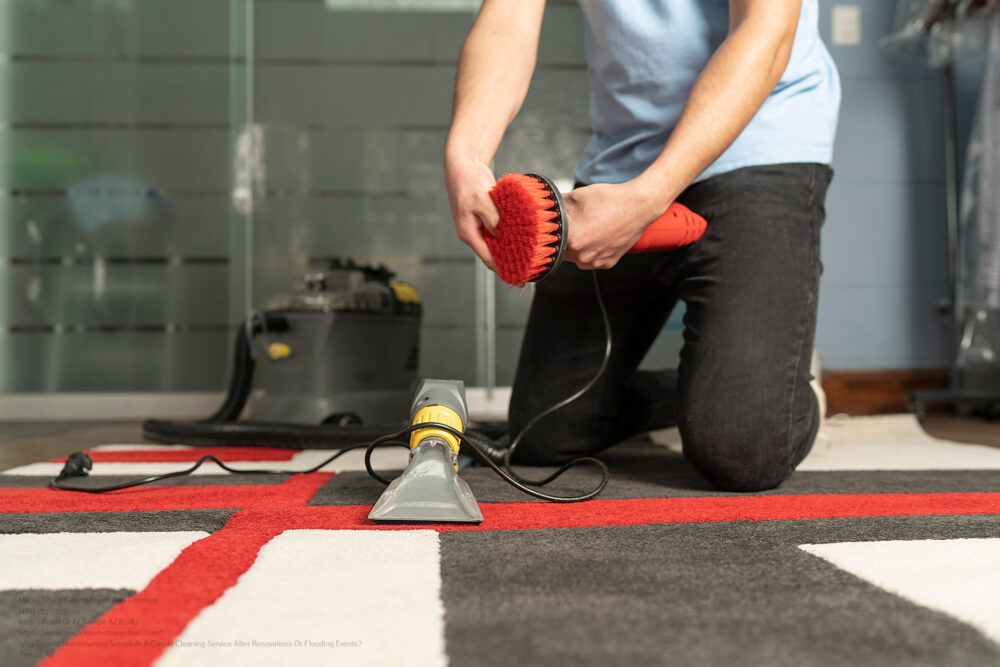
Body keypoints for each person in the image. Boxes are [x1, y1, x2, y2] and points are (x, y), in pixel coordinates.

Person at [444, 0, 840, 492]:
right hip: (621, 161)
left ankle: (777, 390)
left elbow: (768, 29)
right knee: (544, 434)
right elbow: (509, 18)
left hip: (759, 146)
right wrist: (465, 154)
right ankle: (714, 387)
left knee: (741, 448)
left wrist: (649, 197)